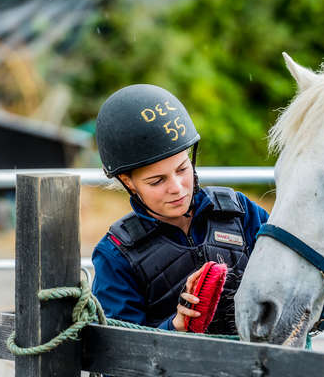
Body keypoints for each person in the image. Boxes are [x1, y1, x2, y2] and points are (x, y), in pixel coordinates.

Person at [91, 84, 269, 333]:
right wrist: (176, 326)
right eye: (157, 181)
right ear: (127, 181)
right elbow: (117, 355)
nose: (177, 187)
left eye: (182, 169)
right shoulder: (116, 254)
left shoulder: (240, 211)